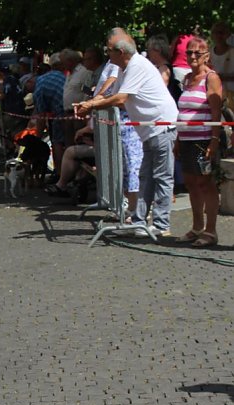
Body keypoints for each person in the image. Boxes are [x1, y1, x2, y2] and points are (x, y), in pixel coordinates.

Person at [76, 28, 178, 237]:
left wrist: (92, 106)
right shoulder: (124, 68)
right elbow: (112, 94)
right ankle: (139, 221)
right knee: (145, 177)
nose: (107, 55)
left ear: (121, 52)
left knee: (161, 177)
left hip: (160, 126)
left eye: (109, 50)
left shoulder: (136, 66)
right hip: (149, 129)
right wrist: (89, 102)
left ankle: (161, 224)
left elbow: (120, 99)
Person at [175, 36, 223, 247]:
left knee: (206, 184)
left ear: (206, 56)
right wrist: (177, 139)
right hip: (185, 140)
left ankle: (210, 231)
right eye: (189, 52)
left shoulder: (211, 78)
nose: (192, 56)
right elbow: (182, 111)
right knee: (191, 183)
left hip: (203, 140)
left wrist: (214, 141)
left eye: (197, 53)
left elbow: (216, 111)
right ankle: (196, 227)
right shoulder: (186, 78)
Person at [34, 52, 66, 180]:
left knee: (57, 143)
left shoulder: (42, 80)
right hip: (77, 114)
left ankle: (59, 174)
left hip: (58, 116)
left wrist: (38, 136)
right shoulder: (69, 76)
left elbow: (41, 112)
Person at [210, 22, 234, 111]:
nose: (219, 36)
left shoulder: (232, 52)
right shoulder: (208, 53)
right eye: (216, 32)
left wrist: (222, 77)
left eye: (222, 33)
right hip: (213, 95)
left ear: (228, 34)